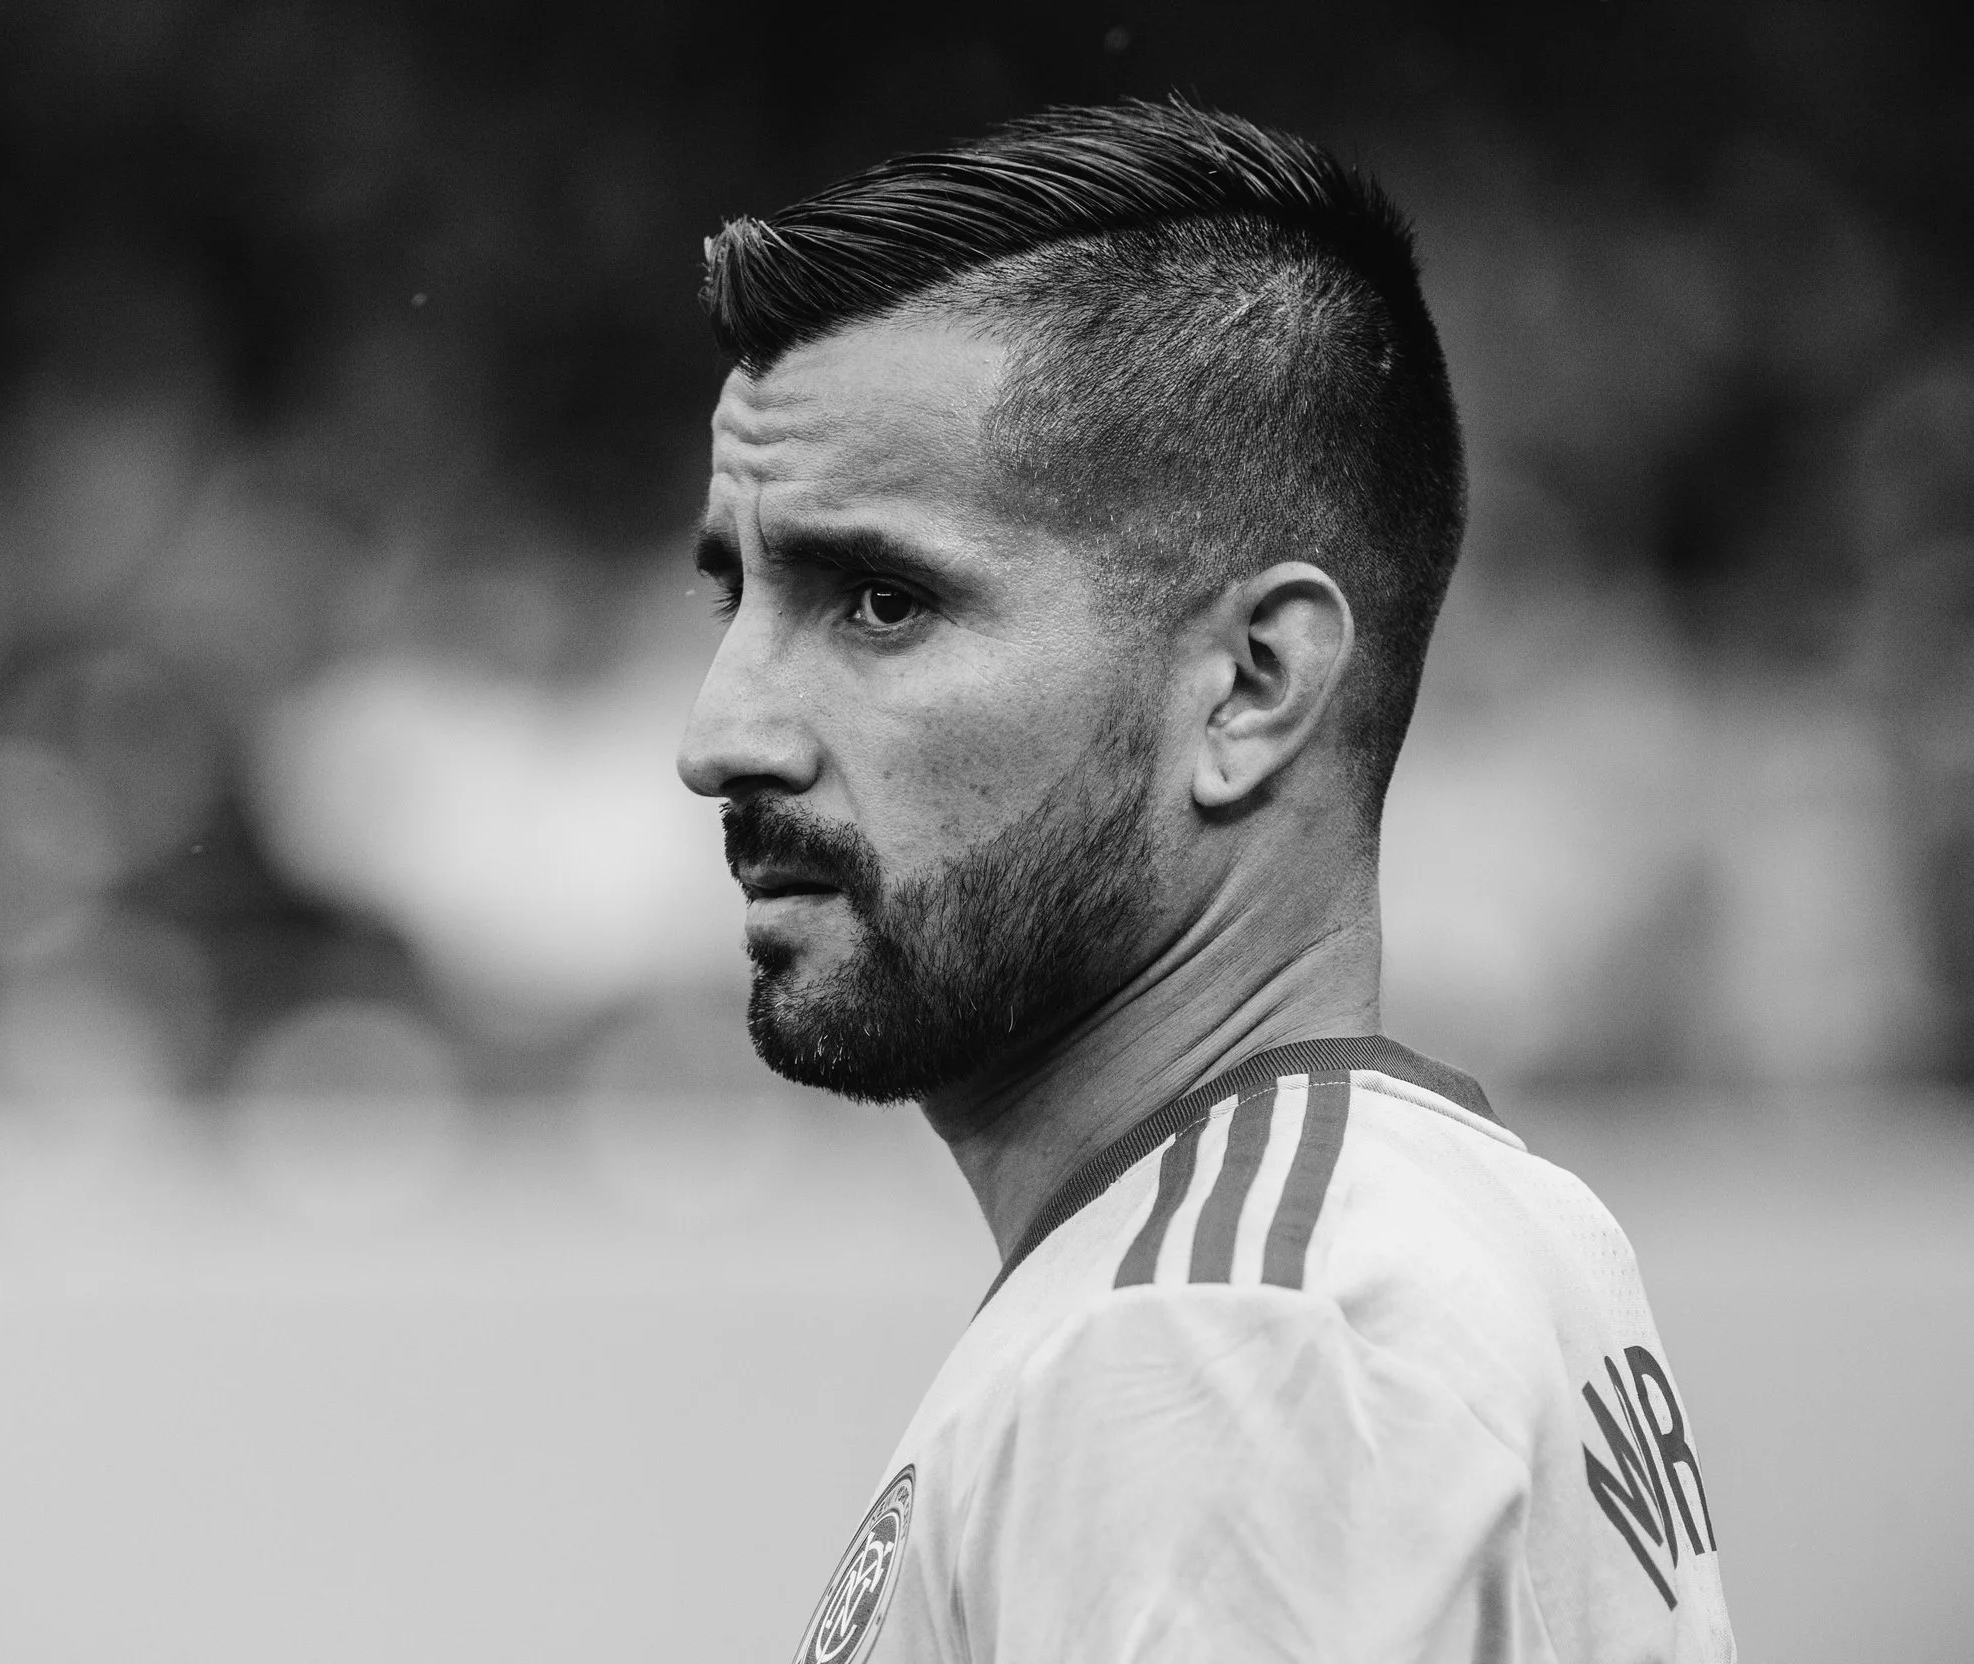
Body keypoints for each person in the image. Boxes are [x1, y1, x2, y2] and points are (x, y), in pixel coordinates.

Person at [675, 100, 1735, 1664]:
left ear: (1249, 686)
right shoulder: (1430, 1225)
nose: (722, 734)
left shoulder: (1223, 1329)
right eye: (736, 596)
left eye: (882, 601)